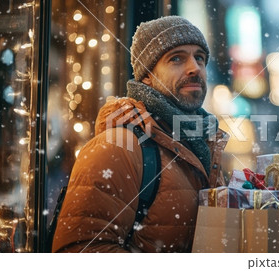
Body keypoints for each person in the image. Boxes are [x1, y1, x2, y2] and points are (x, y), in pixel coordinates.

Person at [52, 16, 228, 252]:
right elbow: (81, 251)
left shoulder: (204, 144)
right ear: (147, 76)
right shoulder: (118, 146)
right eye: (176, 58)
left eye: (200, 58)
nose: (194, 68)